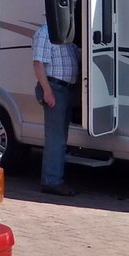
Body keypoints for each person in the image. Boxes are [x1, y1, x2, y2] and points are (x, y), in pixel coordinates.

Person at [32, 18, 81, 196]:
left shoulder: (63, 36)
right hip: (55, 88)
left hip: (66, 89)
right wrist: (47, 91)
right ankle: (51, 181)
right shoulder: (45, 32)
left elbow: (78, 54)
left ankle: (54, 178)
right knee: (56, 138)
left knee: (60, 137)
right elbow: (38, 64)